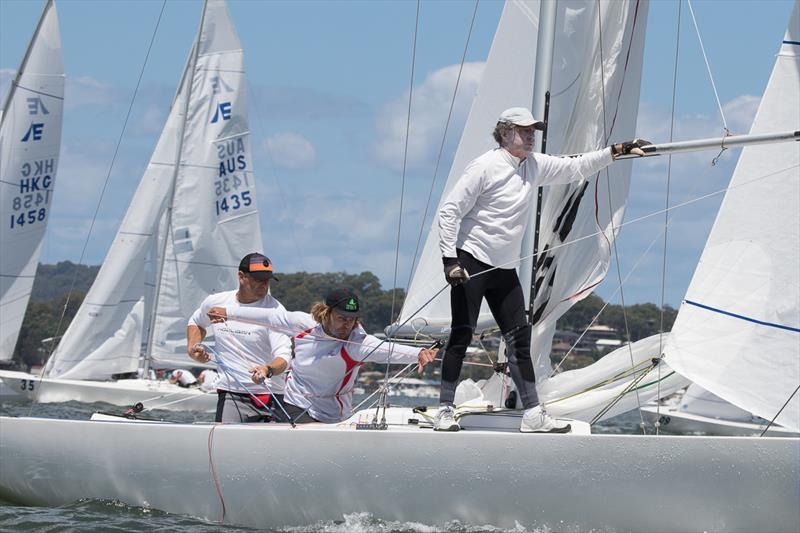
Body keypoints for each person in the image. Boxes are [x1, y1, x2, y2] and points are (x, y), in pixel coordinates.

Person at [436, 106, 649, 433]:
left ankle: (533, 414)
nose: (531, 135)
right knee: (462, 333)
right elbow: (449, 212)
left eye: (533, 130)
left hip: (504, 268)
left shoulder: (533, 166)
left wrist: (615, 151)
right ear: (505, 133)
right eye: (524, 130)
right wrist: (450, 260)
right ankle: (445, 411)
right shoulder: (485, 167)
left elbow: (575, 166)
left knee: (519, 340)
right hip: (472, 259)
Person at [207, 287, 438, 424]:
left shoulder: (357, 343)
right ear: (326, 313)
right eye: (341, 318)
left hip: (331, 415)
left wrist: (419, 353)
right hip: (293, 403)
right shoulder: (303, 324)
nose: (347, 324)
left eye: (352, 319)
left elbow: (388, 350)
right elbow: (267, 317)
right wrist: (228, 312)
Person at [187, 253, 292, 423]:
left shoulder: (276, 312)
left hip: (271, 394)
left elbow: (284, 357)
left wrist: (267, 369)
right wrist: (193, 349)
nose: (265, 284)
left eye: (268, 279)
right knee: (224, 447)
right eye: (259, 279)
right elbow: (196, 322)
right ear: (241, 277)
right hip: (231, 393)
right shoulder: (216, 302)